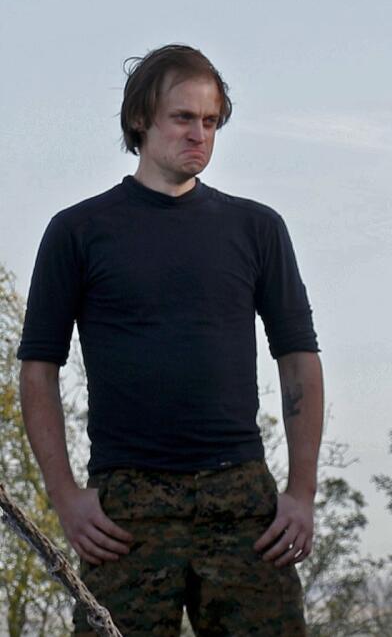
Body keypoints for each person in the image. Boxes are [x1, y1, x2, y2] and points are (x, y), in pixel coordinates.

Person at [18, 44, 323, 635]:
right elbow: (38, 370)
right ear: (141, 119)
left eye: (210, 121)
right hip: (126, 509)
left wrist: (302, 492)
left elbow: (299, 360)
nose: (199, 135)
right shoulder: (78, 231)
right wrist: (64, 496)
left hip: (242, 502)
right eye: (184, 118)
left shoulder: (257, 228)